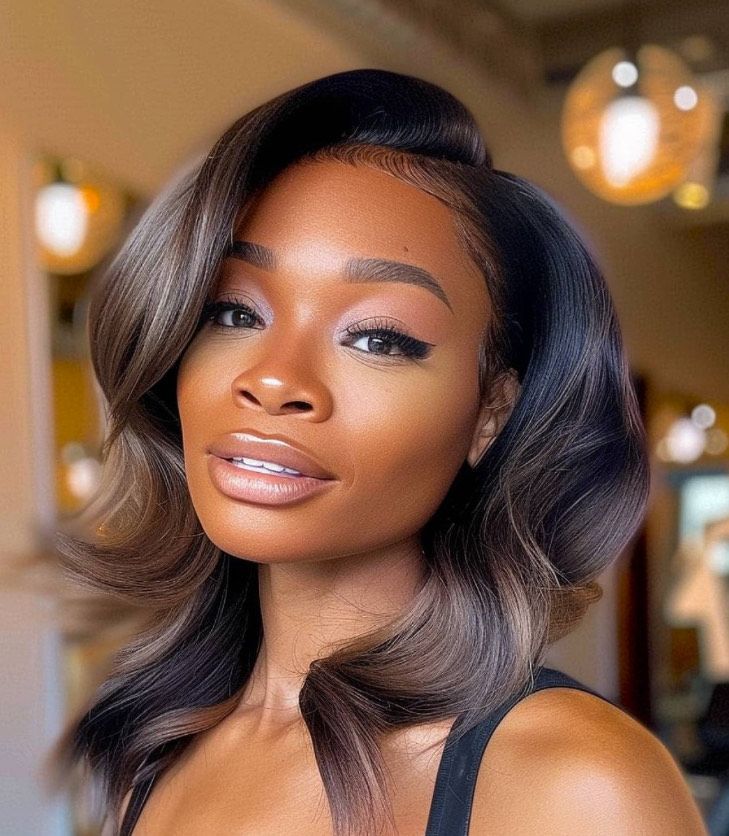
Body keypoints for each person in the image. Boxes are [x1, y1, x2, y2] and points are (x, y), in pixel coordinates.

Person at [48, 68, 707, 835]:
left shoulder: (572, 783)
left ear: (489, 409)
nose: (273, 379)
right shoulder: (156, 751)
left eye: (378, 338)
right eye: (233, 310)